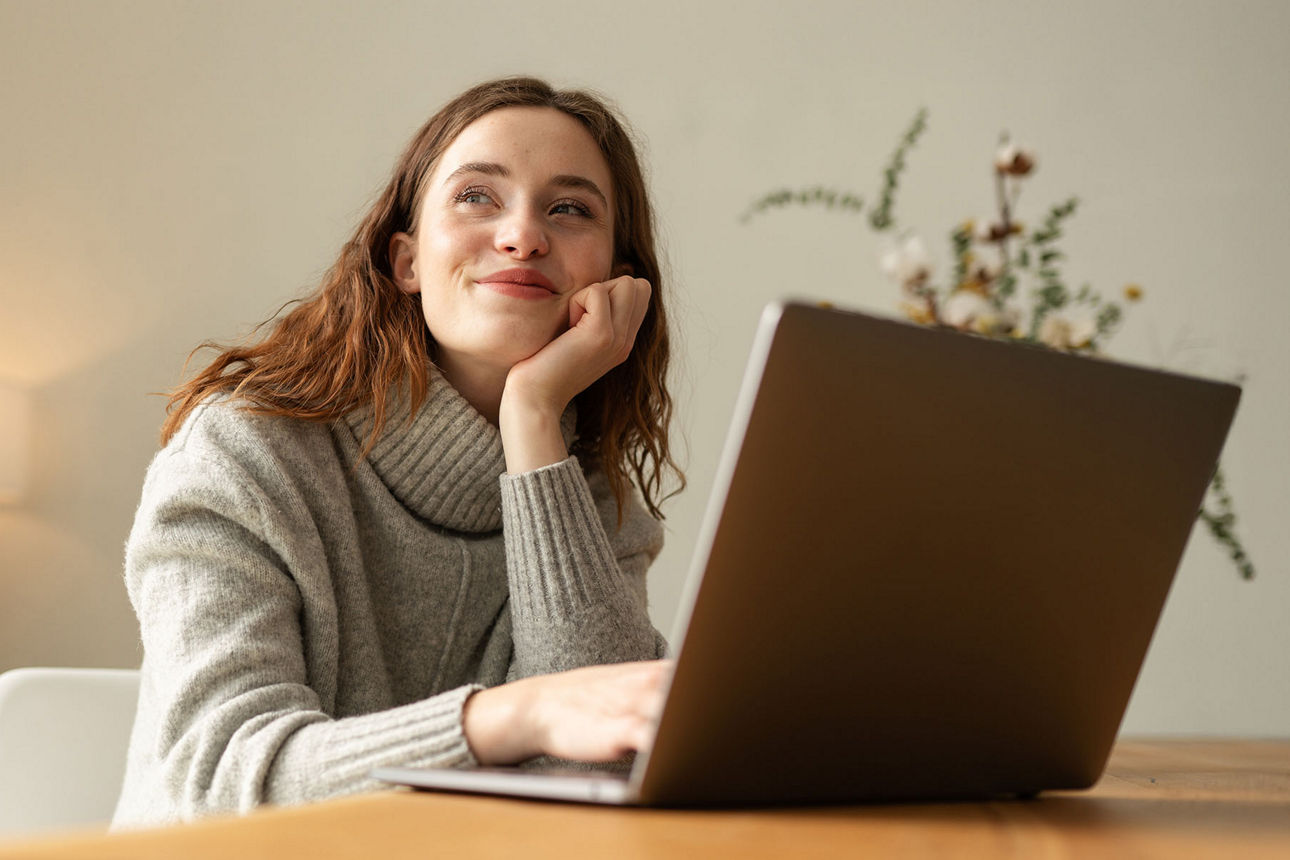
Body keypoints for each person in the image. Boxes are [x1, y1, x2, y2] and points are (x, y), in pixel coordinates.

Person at [111, 76, 684, 829]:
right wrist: (512, 717)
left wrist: (534, 416)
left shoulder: (593, 503)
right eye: (478, 196)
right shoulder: (245, 456)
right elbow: (217, 780)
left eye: (570, 208)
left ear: (614, 280)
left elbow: (593, 771)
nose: (523, 235)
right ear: (406, 262)